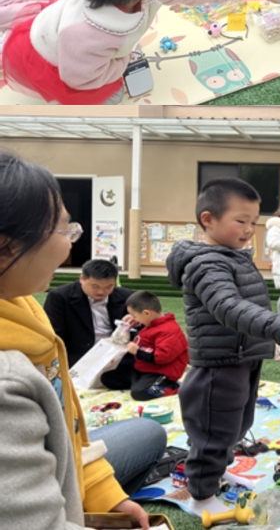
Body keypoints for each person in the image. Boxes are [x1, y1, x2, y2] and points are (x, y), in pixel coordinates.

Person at [0, 151, 166, 530]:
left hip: (99, 387)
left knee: (148, 430)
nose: (70, 245)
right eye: (65, 231)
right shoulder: (8, 380)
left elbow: (69, 425)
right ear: (7, 246)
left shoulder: (22, 303)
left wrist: (105, 494)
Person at [166, 177, 280, 517]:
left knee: (235, 425)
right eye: (241, 220)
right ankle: (201, 496)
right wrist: (279, 326)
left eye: (254, 222)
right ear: (208, 219)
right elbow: (228, 307)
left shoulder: (232, 256)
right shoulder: (207, 263)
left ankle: (217, 473)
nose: (249, 230)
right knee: (213, 432)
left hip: (243, 357)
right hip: (220, 364)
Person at [1, 0, 261, 105]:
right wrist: (122, 62)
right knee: (106, 98)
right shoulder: (85, 32)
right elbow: (79, 78)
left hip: (81, 52)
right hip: (54, 59)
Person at [44, 257, 133, 370]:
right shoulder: (60, 296)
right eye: (95, 286)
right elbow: (55, 334)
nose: (101, 291)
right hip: (78, 357)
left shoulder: (126, 296)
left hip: (116, 356)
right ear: (82, 279)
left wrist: (134, 322)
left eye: (109, 286)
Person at [122, 290, 189, 401]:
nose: (134, 318)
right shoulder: (151, 324)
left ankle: (175, 388)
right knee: (108, 378)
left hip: (161, 372)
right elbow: (144, 340)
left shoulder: (169, 330)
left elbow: (162, 357)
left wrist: (138, 351)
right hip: (144, 368)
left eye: (134, 316)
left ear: (147, 313)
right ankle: (140, 382)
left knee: (141, 392)